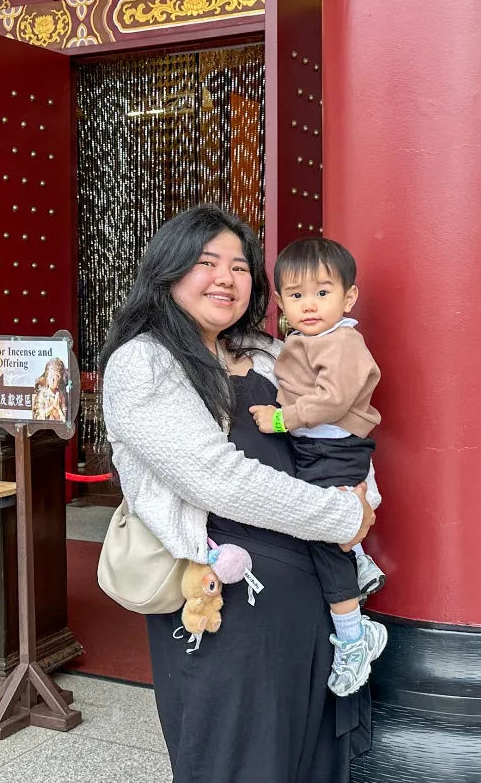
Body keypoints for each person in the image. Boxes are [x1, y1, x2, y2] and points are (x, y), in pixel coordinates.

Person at [100, 205, 380, 783]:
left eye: (239, 266)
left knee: (308, 751)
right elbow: (215, 476)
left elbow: (339, 429)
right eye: (206, 263)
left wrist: (362, 498)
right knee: (234, 757)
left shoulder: (271, 351)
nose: (226, 277)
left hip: (310, 584)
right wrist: (338, 516)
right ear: (168, 271)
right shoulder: (144, 362)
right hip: (222, 590)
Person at [249, 237, 387, 697]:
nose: (308, 305)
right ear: (280, 301)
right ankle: (361, 562)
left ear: (348, 297)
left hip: (333, 448)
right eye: (295, 295)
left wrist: (281, 419)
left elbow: (333, 400)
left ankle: (354, 639)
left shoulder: (341, 340)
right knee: (324, 526)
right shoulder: (306, 339)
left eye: (322, 293)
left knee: (325, 537)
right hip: (319, 449)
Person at [32, 357, 69, 421]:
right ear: (47, 378)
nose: (52, 380)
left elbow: (65, 420)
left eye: (56, 377)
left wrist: (58, 408)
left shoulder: (62, 396)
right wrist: (52, 407)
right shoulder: (42, 395)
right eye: (51, 376)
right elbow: (39, 417)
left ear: (59, 380)